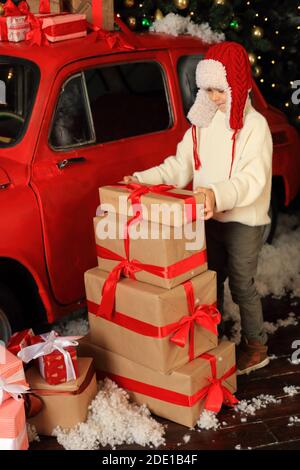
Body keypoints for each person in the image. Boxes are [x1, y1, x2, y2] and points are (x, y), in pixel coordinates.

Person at [123, 41, 273, 375]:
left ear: (236, 85)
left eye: (220, 90)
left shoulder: (256, 128)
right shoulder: (202, 126)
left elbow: (253, 180)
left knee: (241, 283)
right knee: (210, 278)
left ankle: (256, 345)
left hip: (243, 219)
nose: (214, 97)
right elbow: (179, 165)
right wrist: (141, 179)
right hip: (207, 216)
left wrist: (215, 195)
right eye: (207, 90)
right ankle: (210, 336)